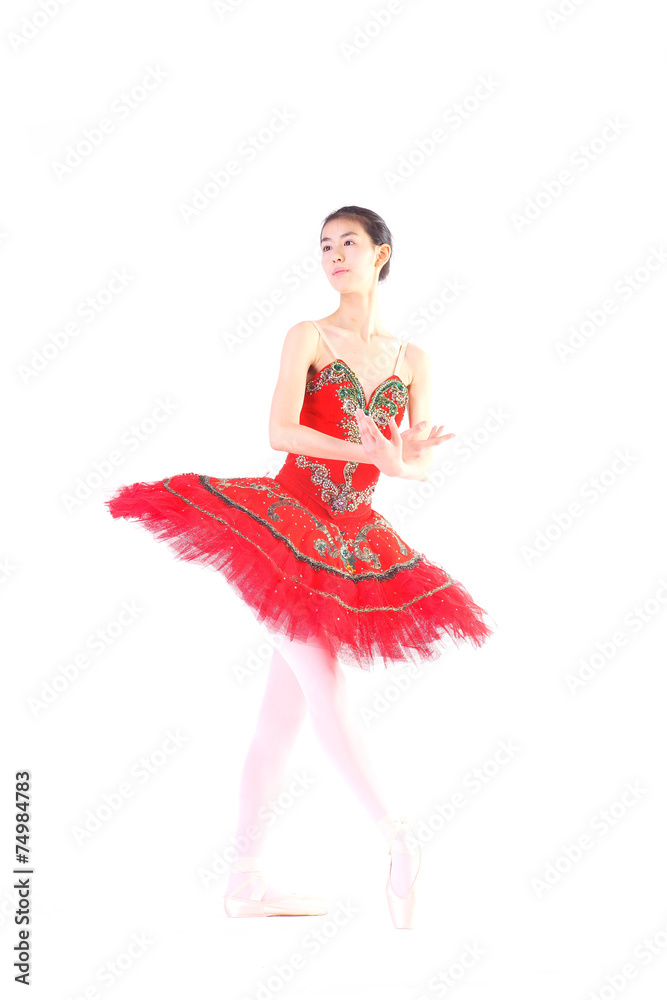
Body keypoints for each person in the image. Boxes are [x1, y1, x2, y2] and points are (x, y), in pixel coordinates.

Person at [105, 205, 495, 928]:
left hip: (352, 539)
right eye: (324, 246)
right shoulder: (308, 336)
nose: (334, 254)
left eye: (348, 242)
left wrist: (404, 460)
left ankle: (243, 882)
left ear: (381, 254)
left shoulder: (414, 359)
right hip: (283, 529)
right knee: (326, 685)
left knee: (279, 719)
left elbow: (416, 463)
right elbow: (280, 430)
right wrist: (368, 452)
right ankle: (398, 838)